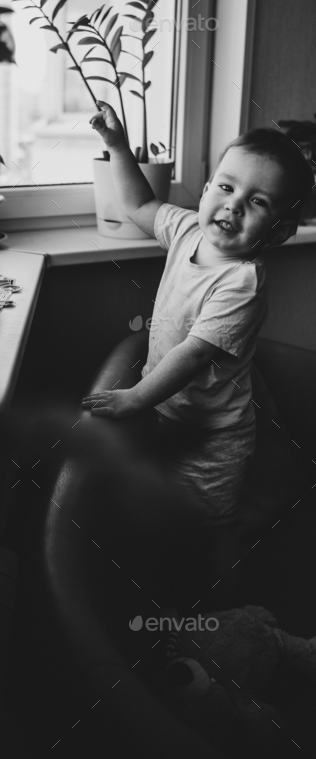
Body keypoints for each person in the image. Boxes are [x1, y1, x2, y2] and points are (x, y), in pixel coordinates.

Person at [82, 101, 313, 543]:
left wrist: (134, 399)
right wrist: (117, 145)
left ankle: (221, 600)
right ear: (206, 189)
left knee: (212, 526)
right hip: (166, 410)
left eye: (257, 201)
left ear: (281, 231)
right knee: (162, 509)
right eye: (226, 188)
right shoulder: (188, 228)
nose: (234, 206)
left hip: (213, 436)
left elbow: (192, 354)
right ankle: (169, 578)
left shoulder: (241, 282)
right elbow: (138, 202)